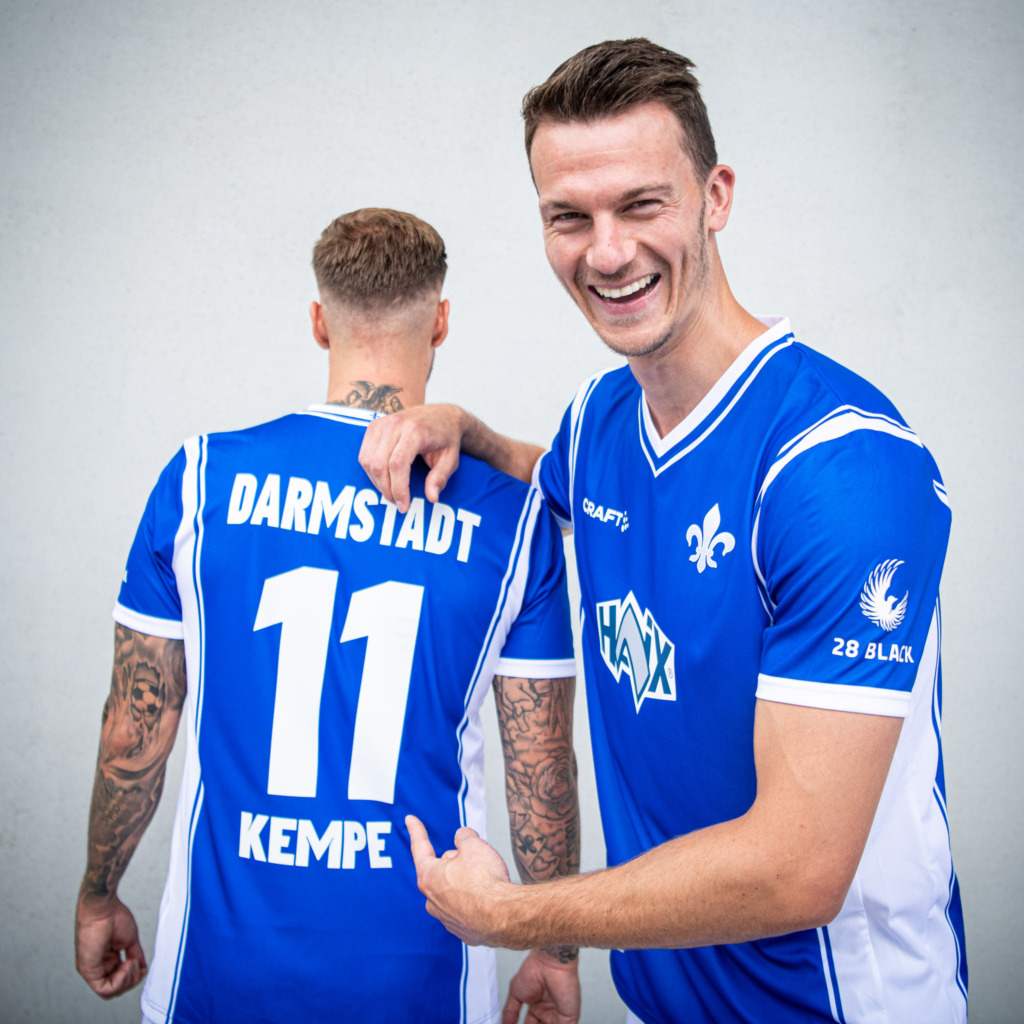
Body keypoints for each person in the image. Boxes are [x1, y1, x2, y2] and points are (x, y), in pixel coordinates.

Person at [359, 39, 969, 1024]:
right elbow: (568, 483)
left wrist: (514, 916)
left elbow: (798, 869)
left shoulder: (841, 468)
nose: (605, 252)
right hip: (665, 1000)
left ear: (713, 197)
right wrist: (464, 429)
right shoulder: (601, 417)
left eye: (641, 205)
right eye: (569, 217)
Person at [75, 208, 582, 1024]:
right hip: (421, 975)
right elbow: (542, 769)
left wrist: (99, 893)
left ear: (319, 322)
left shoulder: (199, 481)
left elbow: (133, 728)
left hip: (218, 970)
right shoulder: (514, 522)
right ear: (441, 322)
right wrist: (554, 948)